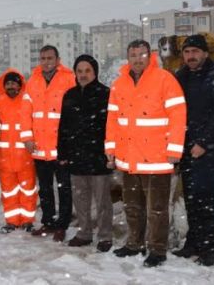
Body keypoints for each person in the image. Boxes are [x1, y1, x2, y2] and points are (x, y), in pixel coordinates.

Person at [105, 40, 187, 267]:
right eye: (133, 54)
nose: (137, 59)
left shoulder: (164, 80)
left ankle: (157, 249)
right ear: (127, 57)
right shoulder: (119, 84)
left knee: (157, 210)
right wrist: (110, 149)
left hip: (157, 159)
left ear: (149, 56)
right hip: (129, 159)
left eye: (142, 54)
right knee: (133, 207)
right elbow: (113, 120)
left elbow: (178, 115)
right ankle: (134, 244)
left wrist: (174, 149)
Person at [172, 34, 214, 266]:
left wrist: (204, 143)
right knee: (191, 199)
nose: (191, 56)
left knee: (208, 199)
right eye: (187, 52)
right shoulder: (181, 77)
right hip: (187, 149)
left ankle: (208, 249)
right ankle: (193, 243)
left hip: (212, 150)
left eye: (195, 52)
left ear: (205, 53)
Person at [58, 55, 113, 252]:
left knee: (102, 201)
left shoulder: (106, 94)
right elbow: (63, 126)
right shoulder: (70, 95)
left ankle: (105, 236)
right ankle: (84, 233)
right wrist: (62, 152)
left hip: (99, 157)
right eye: (79, 71)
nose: (83, 75)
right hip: (76, 156)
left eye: (87, 71)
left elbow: (112, 126)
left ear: (95, 72)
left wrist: (110, 152)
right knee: (80, 199)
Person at [20, 45, 76, 242]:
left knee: (64, 189)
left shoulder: (69, 79)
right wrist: (27, 138)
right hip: (39, 147)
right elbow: (25, 112)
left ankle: (62, 224)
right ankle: (48, 221)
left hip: (60, 147)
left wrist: (70, 143)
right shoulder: (33, 81)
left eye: (50, 58)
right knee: (44, 189)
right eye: (42, 58)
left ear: (58, 59)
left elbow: (72, 114)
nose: (46, 61)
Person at [0, 69, 37, 234]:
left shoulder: (27, 101)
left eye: (14, 83)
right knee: (9, 192)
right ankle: (11, 221)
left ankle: (27, 221)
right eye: (8, 83)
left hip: (25, 157)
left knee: (28, 191)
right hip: (5, 158)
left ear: (20, 85)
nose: (11, 86)